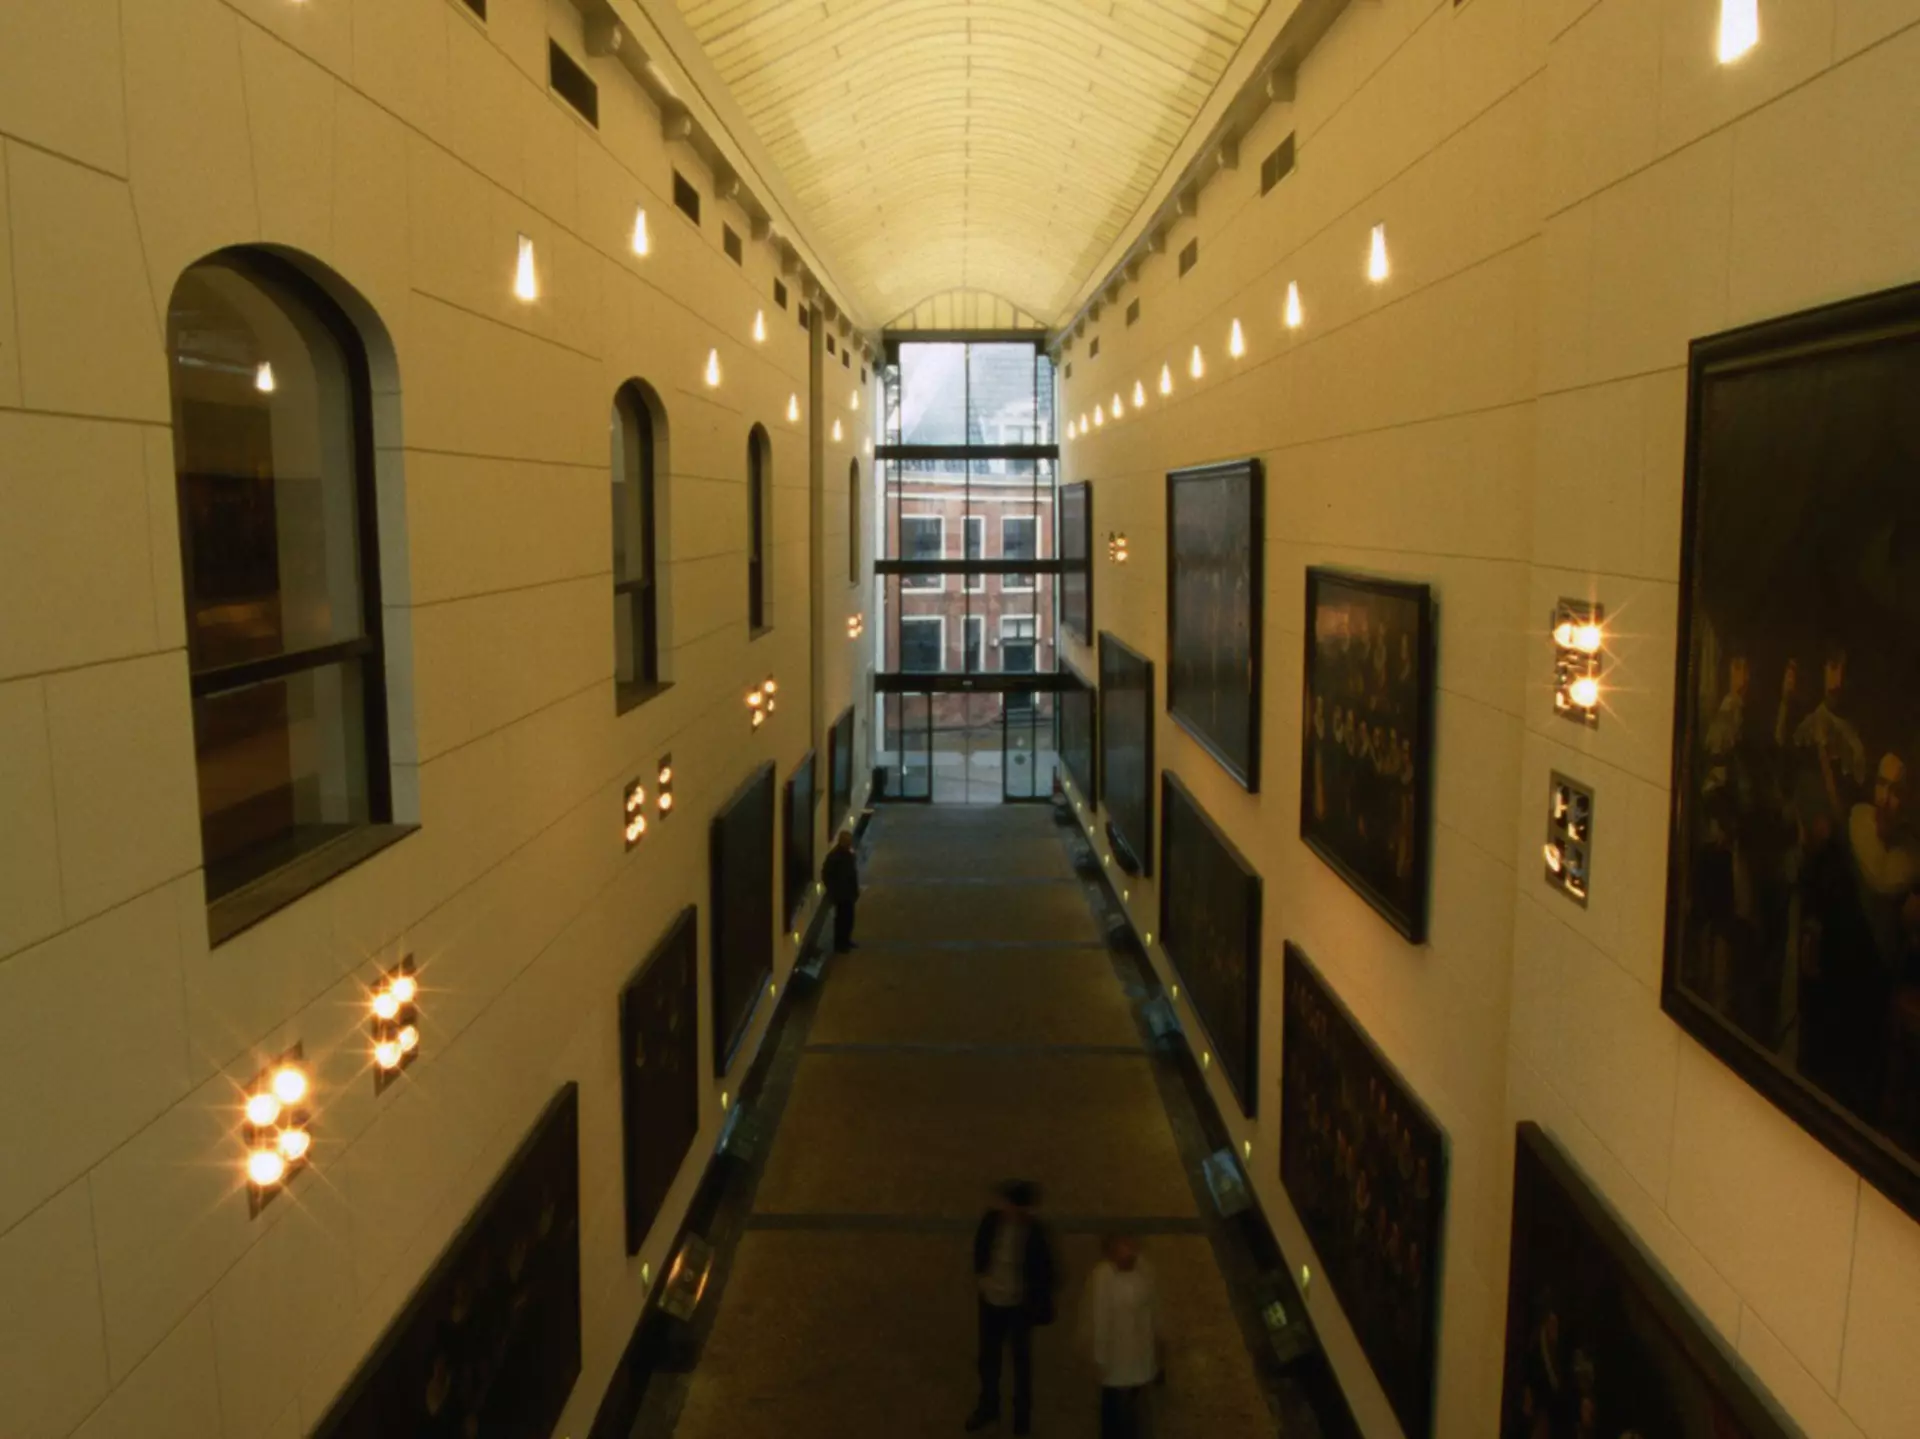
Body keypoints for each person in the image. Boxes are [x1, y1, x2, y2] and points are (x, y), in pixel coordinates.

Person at [968, 1180, 1057, 1435]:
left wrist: (1032, 1297)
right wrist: (983, 1278)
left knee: (1021, 1365)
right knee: (988, 1358)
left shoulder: (1036, 1234)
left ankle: (1021, 1419)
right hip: (991, 1302)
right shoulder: (992, 1221)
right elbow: (980, 1247)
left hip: (1019, 1308)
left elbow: (1048, 1272)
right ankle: (988, 1406)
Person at [1079, 1234, 1161, 1439]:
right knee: (1115, 1404)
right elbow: (1100, 1318)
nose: (1129, 1252)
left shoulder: (1144, 1270)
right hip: (1116, 1354)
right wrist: (1100, 1357)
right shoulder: (1102, 1277)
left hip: (1139, 1352)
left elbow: (1152, 1310)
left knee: (1131, 1402)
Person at [822, 829, 860, 953]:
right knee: (842, 920)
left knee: (848, 919)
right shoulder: (835, 857)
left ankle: (846, 940)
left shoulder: (846, 854)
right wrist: (834, 890)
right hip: (841, 894)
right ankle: (840, 944)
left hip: (848, 893)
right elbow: (827, 875)